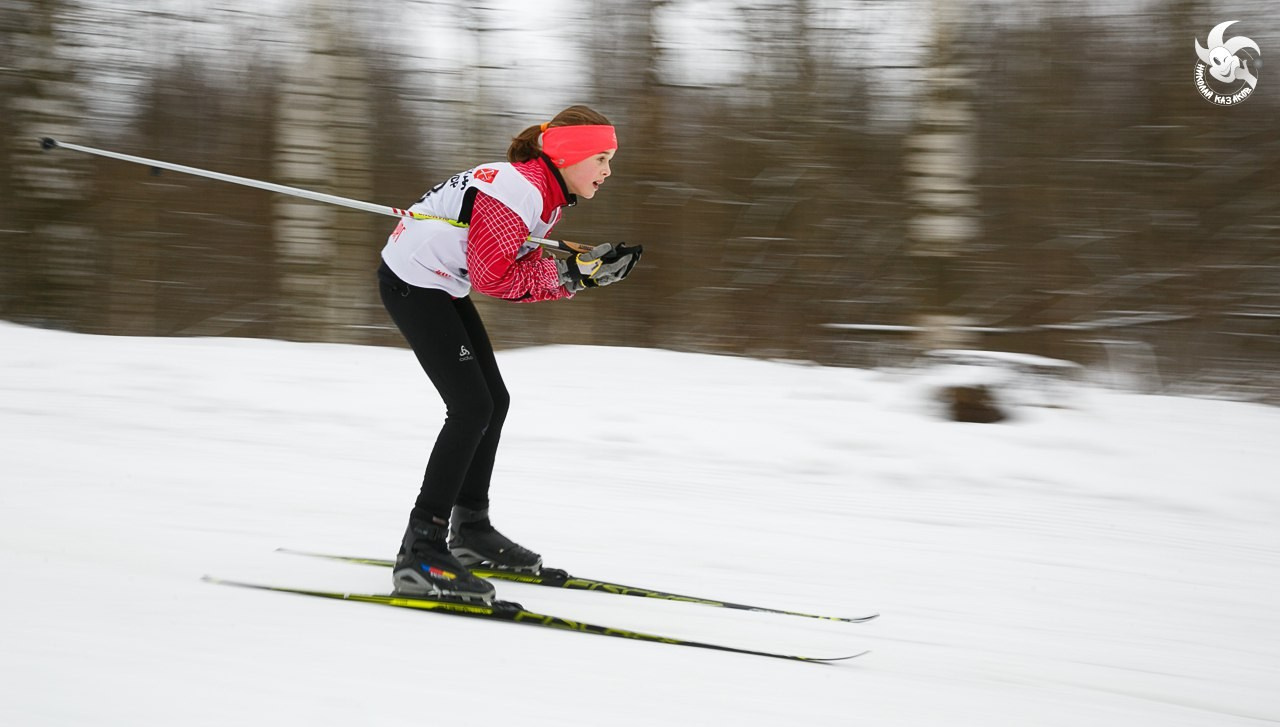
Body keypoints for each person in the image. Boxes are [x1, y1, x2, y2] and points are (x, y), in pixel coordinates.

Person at [377, 105, 641, 602]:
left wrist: (577, 266)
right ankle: (421, 548)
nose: (608, 171)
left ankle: (471, 530)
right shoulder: (518, 189)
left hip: (442, 283)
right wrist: (573, 277)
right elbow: (494, 277)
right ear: (568, 155)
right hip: (415, 282)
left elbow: (514, 259)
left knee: (492, 401)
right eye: (601, 158)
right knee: (471, 407)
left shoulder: (545, 192)